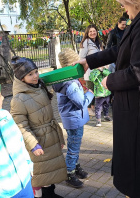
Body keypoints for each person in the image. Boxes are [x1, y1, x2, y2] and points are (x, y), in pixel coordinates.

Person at [73, 0, 140, 197]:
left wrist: (110, 80)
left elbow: (139, 72)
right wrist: (90, 61)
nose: (124, 10)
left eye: (125, 3)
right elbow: (121, 49)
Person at [10, 57, 67, 198]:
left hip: (50, 136)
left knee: (50, 171)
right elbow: (20, 125)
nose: (35, 76)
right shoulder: (19, 99)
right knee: (40, 174)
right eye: (30, 74)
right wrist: (33, 144)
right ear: (21, 78)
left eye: (36, 72)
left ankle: (50, 193)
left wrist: (58, 136)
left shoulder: (39, 87)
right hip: (38, 141)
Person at [52, 48, 94, 188]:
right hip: (74, 120)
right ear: (72, 64)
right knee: (73, 148)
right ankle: (69, 174)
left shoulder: (65, 79)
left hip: (73, 119)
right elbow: (81, 103)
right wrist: (90, 94)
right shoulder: (70, 84)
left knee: (74, 145)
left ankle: (75, 167)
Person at [79, 25, 103, 116]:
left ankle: (93, 108)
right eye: (90, 32)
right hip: (89, 70)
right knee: (90, 90)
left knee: (96, 90)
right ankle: (88, 109)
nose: (93, 33)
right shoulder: (85, 42)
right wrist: (89, 64)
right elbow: (82, 57)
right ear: (87, 33)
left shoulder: (98, 42)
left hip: (98, 71)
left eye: (94, 31)